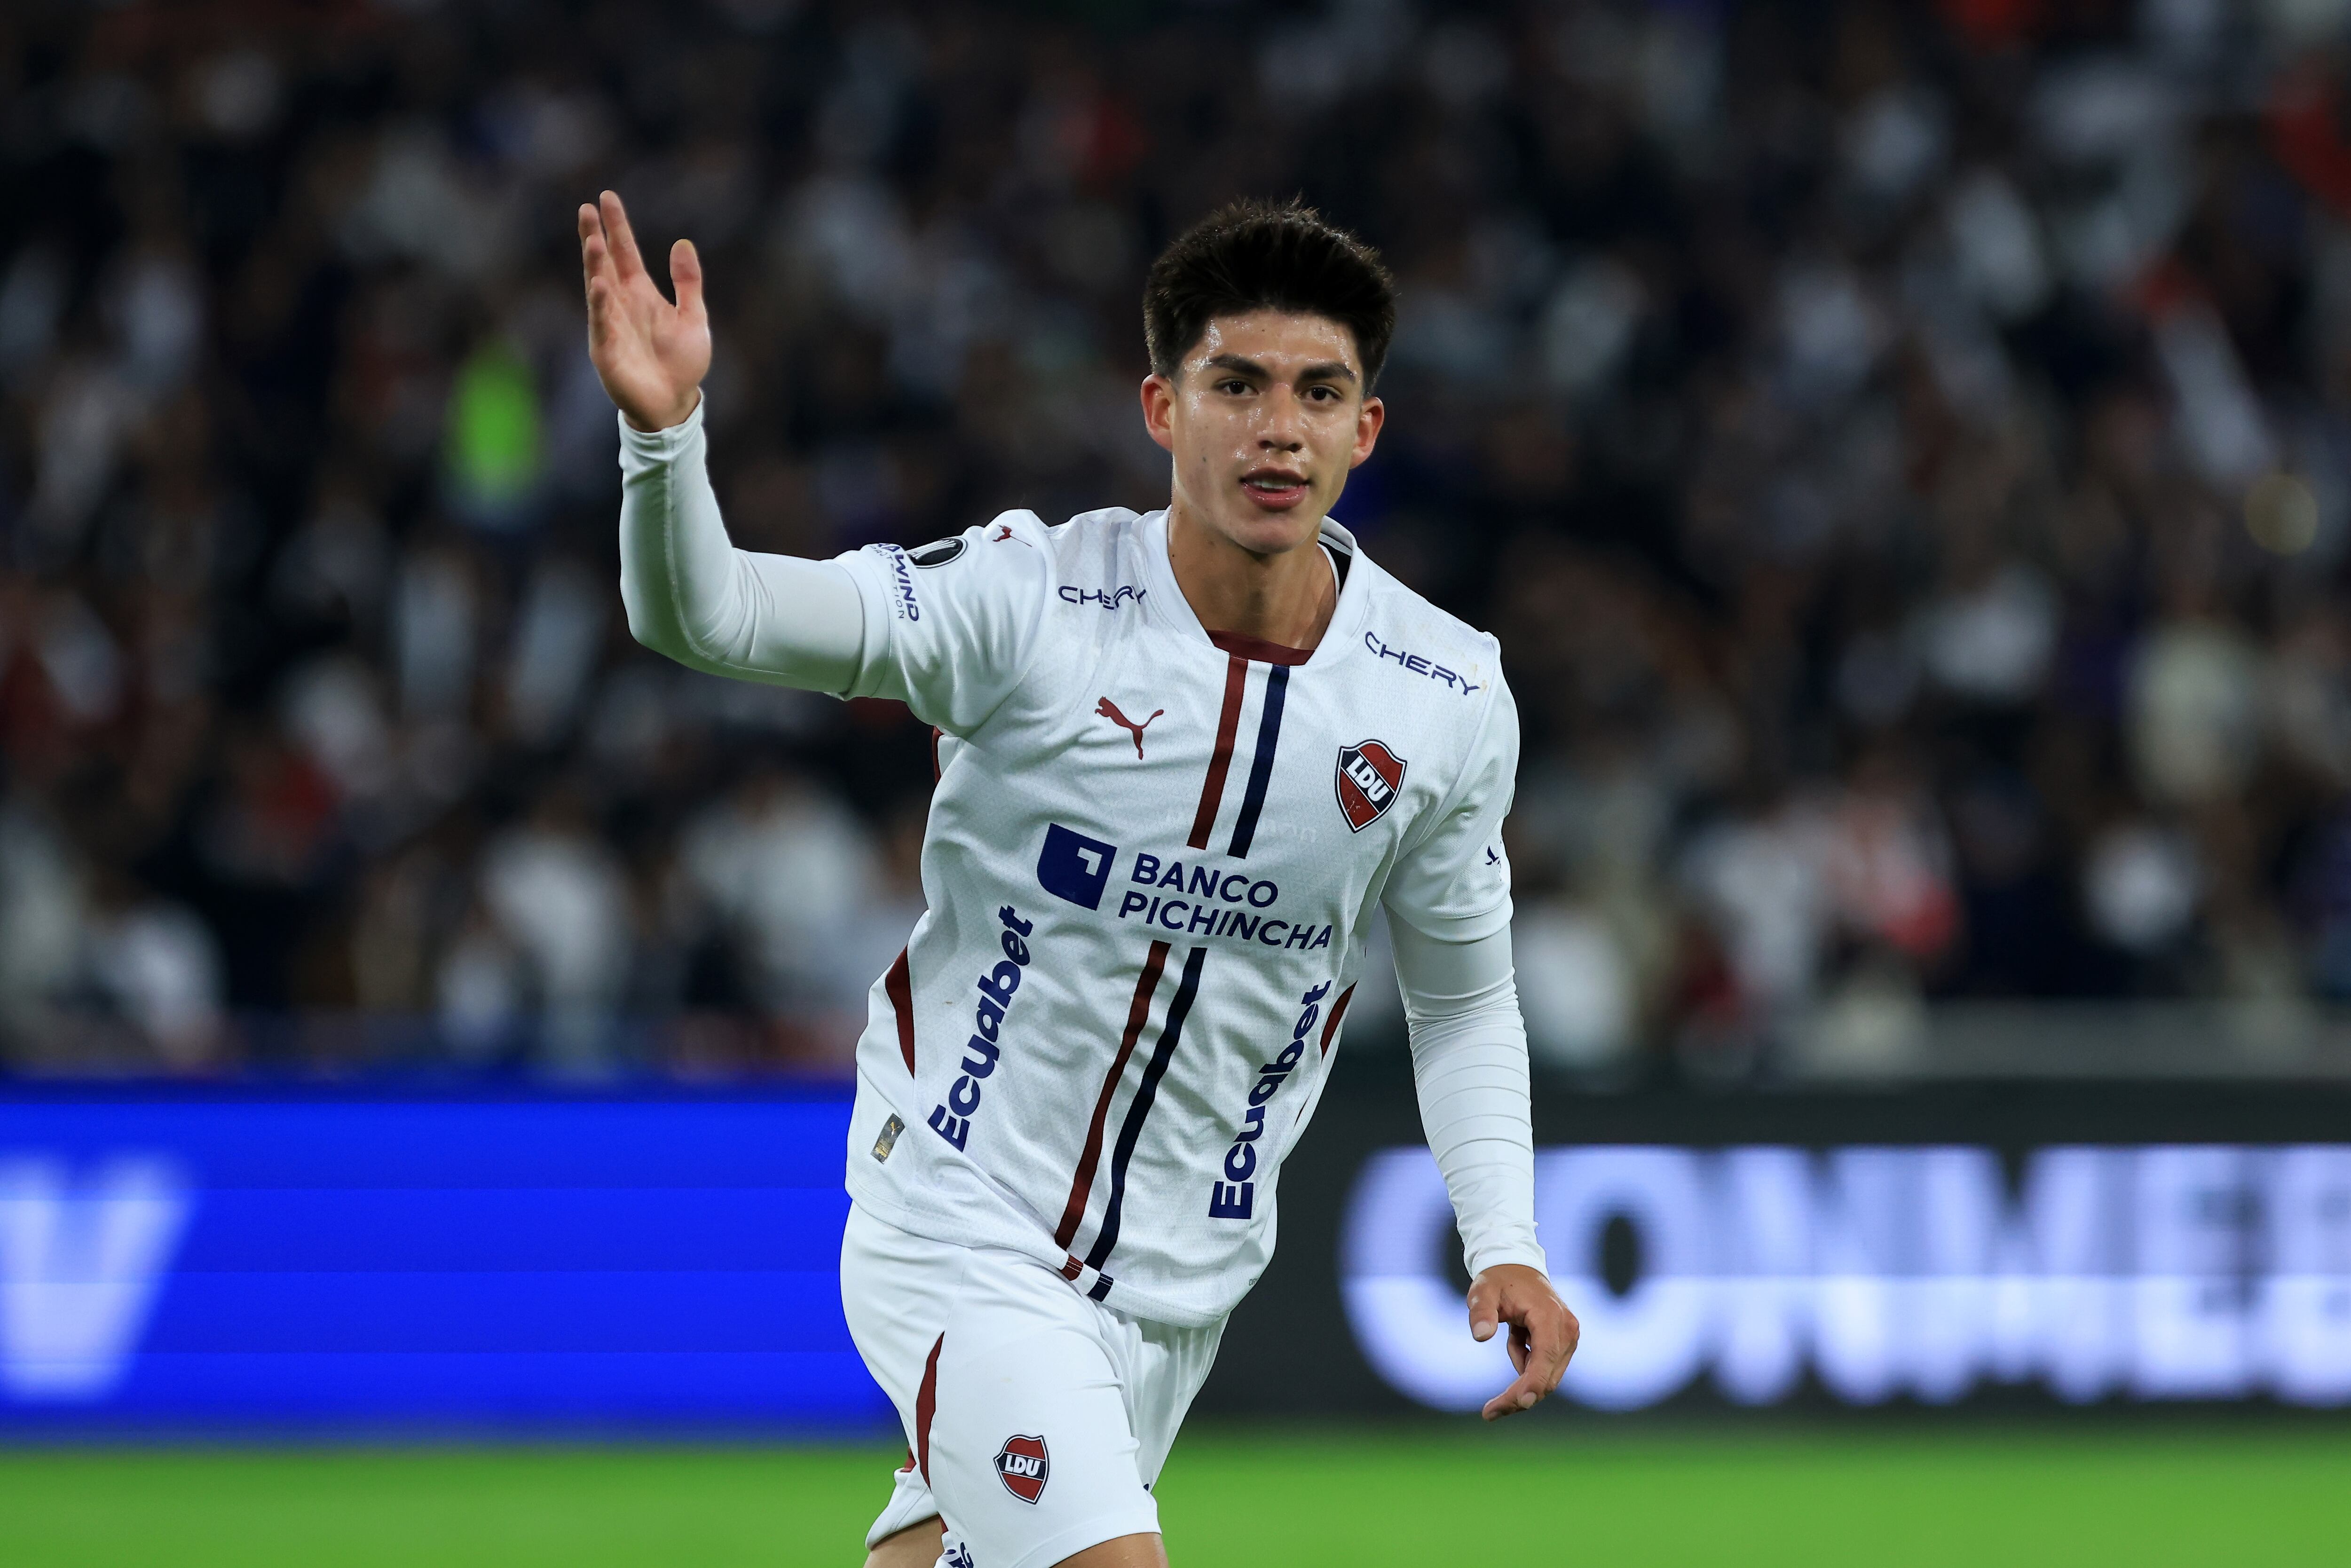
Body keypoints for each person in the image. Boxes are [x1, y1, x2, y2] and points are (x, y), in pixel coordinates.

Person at [580, 189, 1578, 1568]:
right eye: (1236, 384)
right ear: (1163, 409)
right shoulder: (1029, 603)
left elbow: (1465, 1001)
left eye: (1318, 391)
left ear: (1366, 430)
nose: (1277, 426)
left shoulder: (1445, 694)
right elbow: (715, 614)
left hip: (1183, 1290)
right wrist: (662, 436)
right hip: (964, 1217)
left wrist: (1505, 1239)